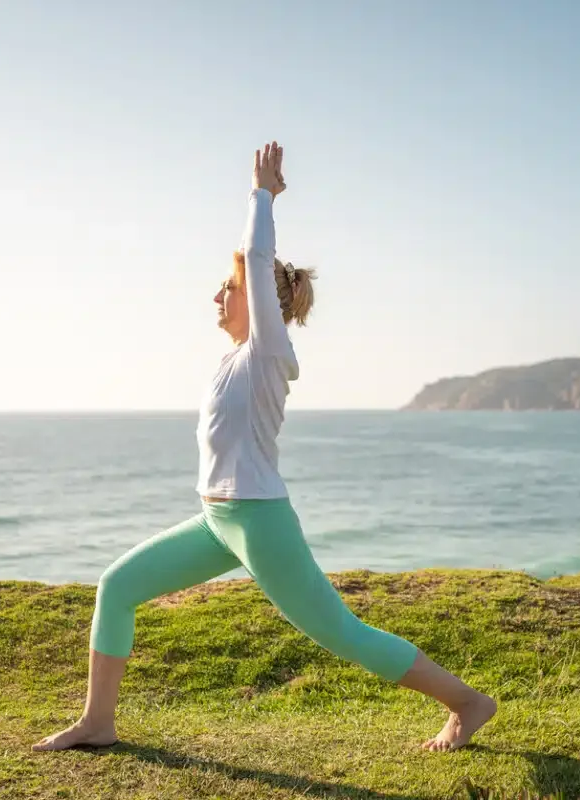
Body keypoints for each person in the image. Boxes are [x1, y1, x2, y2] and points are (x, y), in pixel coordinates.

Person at [32, 141, 497, 754]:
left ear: (258, 301)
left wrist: (262, 194)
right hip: (216, 520)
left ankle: (467, 703)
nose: (217, 296)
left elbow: (255, 255)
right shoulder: (231, 362)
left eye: (227, 287)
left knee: (343, 634)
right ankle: (98, 722)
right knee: (116, 586)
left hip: (258, 523)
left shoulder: (268, 355)